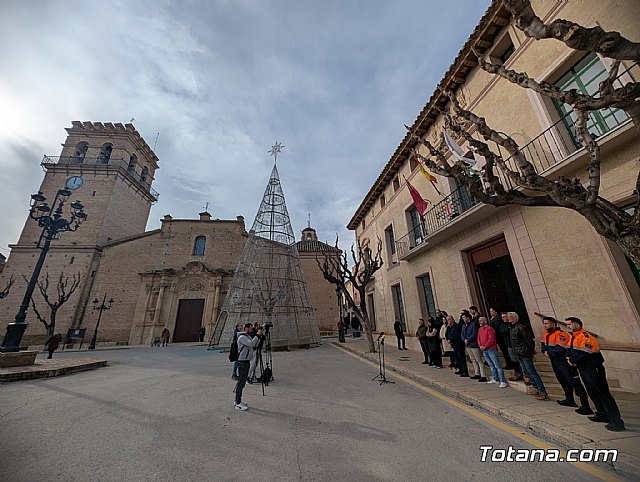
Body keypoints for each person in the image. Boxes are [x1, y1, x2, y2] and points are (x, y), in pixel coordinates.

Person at [566, 317, 625, 431]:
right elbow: (569, 350)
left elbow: (585, 353)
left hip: (593, 368)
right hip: (583, 368)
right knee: (592, 392)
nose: (568, 326)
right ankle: (602, 414)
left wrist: (572, 360)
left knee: (603, 394)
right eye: (567, 325)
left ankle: (616, 421)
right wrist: (569, 358)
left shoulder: (586, 337)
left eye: (569, 324)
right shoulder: (573, 337)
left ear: (577, 325)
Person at [540, 317, 592, 414]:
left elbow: (560, 348)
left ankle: (585, 406)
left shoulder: (561, 334)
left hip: (564, 362)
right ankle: (569, 399)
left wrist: (549, 353)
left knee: (574, 382)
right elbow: (543, 345)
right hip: (554, 361)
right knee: (563, 381)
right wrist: (544, 351)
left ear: (553, 324)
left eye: (547, 323)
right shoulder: (546, 334)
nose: (544, 325)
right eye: (544, 323)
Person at [508, 312, 548, 400]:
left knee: (531, 371)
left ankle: (542, 391)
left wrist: (531, 350)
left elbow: (529, 341)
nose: (508, 318)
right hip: (518, 352)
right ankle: (536, 388)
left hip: (524, 352)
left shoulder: (521, 327)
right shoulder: (511, 327)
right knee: (526, 372)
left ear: (515, 318)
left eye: (510, 317)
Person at [234, 323, 264, 411]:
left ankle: (238, 400)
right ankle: (238, 403)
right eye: (250, 329)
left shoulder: (247, 337)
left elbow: (255, 344)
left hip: (246, 361)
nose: (252, 330)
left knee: (242, 382)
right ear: (246, 328)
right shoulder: (242, 337)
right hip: (242, 362)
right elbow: (251, 343)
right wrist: (257, 335)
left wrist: (259, 336)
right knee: (241, 382)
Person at [478, 317, 507, 387]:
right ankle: (495, 378)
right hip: (484, 350)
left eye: (481, 320)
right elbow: (478, 338)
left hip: (491, 349)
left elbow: (491, 339)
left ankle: (502, 381)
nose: (480, 322)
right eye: (479, 321)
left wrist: (485, 346)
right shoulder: (480, 329)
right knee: (491, 365)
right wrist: (480, 346)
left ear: (485, 321)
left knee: (497, 365)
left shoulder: (490, 329)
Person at [461, 310, 486, 382]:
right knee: (472, 359)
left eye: (464, 317)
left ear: (468, 317)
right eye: (462, 318)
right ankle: (477, 373)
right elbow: (462, 333)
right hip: (467, 345)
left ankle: (483, 375)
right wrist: (464, 339)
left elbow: (474, 333)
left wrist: (468, 339)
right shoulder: (463, 325)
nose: (463, 319)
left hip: (473, 344)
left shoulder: (473, 324)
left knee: (478, 359)